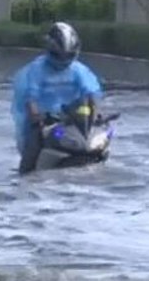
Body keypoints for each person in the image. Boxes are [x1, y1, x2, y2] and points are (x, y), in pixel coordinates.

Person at [10, 21, 104, 174]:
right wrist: (35, 115)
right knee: (33, 148)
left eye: (68, 56)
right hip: (46, 125)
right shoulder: (37, 70)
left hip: (75, 123)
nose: (64, 60)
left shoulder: (79, 71)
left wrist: (97, 113)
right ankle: (25, 177)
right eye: (59, 56)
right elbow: (30, 96)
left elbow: (91, 94)